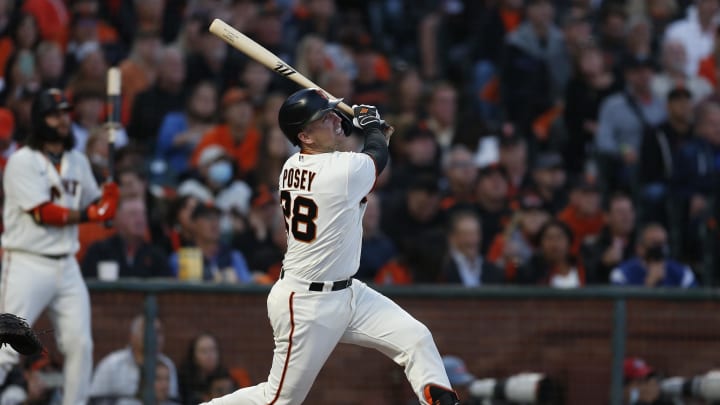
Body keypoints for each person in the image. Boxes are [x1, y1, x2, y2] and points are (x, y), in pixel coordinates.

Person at [201, 89, 459, 404]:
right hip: (307, 303)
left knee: (416, 338)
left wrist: (364, 129)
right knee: (278, 400)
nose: (334, 119)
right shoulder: (340, 171)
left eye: (332, 113)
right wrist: (374, 128)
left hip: (348, 292)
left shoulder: (293, 165)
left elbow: (364, 156)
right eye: (324, 118)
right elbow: (376, 157)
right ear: (305, 136)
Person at [0, 88, 119, 405]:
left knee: (81, 345)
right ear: (40, 120)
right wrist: (94, 212)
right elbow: (43, 213)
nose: (63, 120)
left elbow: (96, 206)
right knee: (7, 346)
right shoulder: (21, 162)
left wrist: (108, 202)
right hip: (27, 261)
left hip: (66, 265)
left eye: (66, 113)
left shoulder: (77, 160)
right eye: (55, 114)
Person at [89, 314, 179, 403]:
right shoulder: (112, 364)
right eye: (148, 330)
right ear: (132, 336)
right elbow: (95, 400)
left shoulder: (167, 365)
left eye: (159, 332)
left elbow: (170, 400)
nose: (154, 336)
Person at [610, 223, 697, 288]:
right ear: (640, 248)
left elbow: (696, 307)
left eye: (663, 244)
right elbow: (621, 309)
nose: (659, 249)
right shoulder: (622, 274)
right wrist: (649, 284)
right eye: (655, 244)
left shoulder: (682, 273)